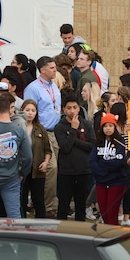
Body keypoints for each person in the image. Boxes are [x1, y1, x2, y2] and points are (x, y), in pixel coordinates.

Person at [23, 56, 62, 217]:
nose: (55, 70)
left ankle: (45, 204)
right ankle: (46, 205)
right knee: (50, 167)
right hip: (41, 132)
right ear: (43, 69)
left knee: (50, 168)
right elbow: (28, 110)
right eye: (52, 68)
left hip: (55, 131)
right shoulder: (33, 88)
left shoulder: (54, 86)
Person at [54, 93, 94, 221]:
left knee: (80, 205)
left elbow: (92, 145)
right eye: (69, 108)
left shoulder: (86, 124)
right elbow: (65, 147)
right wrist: (73, 130)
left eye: (75, 107)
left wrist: (74, 140)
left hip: (83, 170)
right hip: (66, 171)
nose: (72, 111)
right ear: (64, 109)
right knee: (63, 205)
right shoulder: (60, 127)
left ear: (79, 108)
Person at [90, 113, 130, 225]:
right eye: (105, 126)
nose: (108, 128)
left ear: (115, 127)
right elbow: (92, 161)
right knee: (104, 213)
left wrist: (103, 164)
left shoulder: (120, 142)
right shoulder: (97, 143)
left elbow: (119, 161)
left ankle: (113, 238)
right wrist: (103, 170)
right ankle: (106, 237)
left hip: (117, 182)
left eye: (110, 125)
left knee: (112, 212)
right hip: (101, 181)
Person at [20, 99, 51, 218]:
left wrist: (46, 162)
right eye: (27, 110)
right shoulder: (18, 127)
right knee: (21, 201)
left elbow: (47, 149)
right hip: (22, 170)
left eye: (33, 110)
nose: (30, 113)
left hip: (37, 171)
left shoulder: (40, 129)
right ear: (22, 111)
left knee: (38, 201)